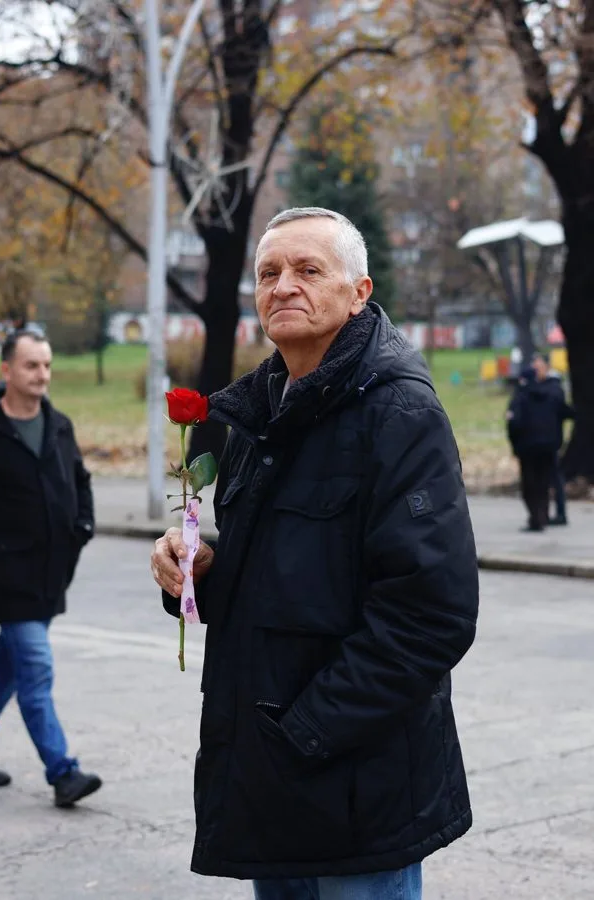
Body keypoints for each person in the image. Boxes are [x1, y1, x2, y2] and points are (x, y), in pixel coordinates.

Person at [151, 208, 479, 900]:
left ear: (359, 292)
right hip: (271, 780)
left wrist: (304, 732)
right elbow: (290, 570)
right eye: (268, 273)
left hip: (355, 785)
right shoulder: (260, 413)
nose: (283, 287)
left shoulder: (398, 413)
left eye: (308, 270)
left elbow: (431, 615)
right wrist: (201, 569)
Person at [0, 329, 102, 805]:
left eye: (46, 365)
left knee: (9, 668)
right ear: (6, 370)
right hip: (6, 579)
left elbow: (79, 479)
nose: (42, 375)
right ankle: (62, 772)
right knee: (35, 669)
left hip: (50, 574)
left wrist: (83, 525)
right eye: (31, 365)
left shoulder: (58, 425)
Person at [507, 356, 573, 532]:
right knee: (546, 481)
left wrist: (515, 445)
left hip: (528, 446)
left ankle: (536, 518)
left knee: (531, 483)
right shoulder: (554, 391)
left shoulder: (522, 395)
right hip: (549, 444)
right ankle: (546, 515)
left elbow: (514, 423)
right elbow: (564, 411)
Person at [531, 351, 571, 525]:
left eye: (538, 365)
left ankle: (560, 513)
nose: (535, 369)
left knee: (554, 477)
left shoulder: (554, 388)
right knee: (541, 479)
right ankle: (542, 514)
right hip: (537, 441)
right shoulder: (534, 386)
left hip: (551, 440)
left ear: (546, 366)